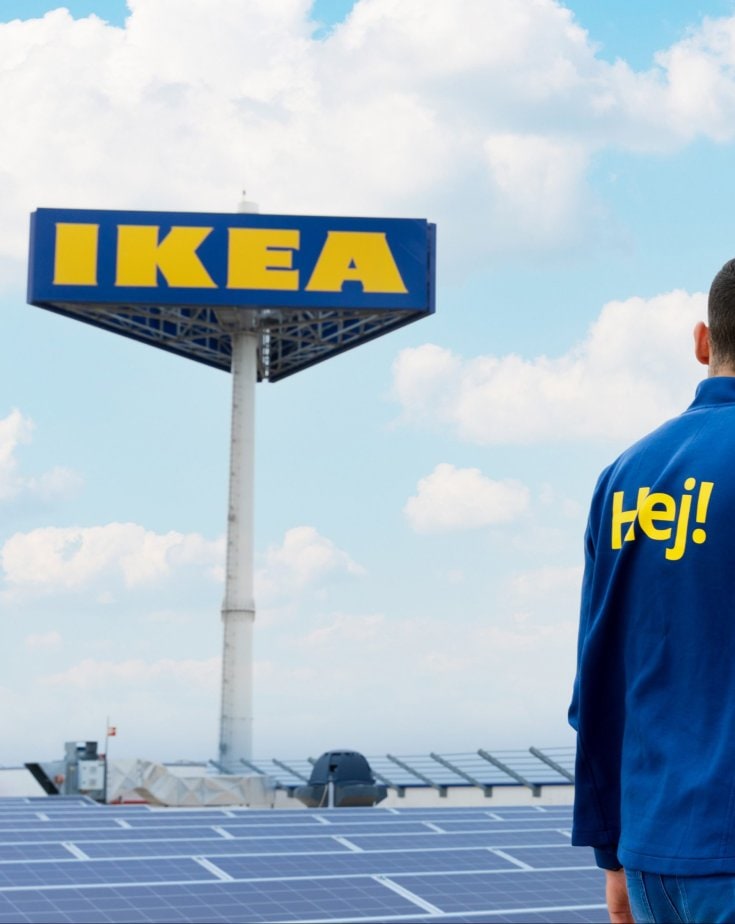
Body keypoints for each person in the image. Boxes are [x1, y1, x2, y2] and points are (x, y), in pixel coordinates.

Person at [569, 258, 735, 924]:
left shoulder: (623, 476)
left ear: (702, 342)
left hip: (652, 855)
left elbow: (597, 678)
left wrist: (610, 853)